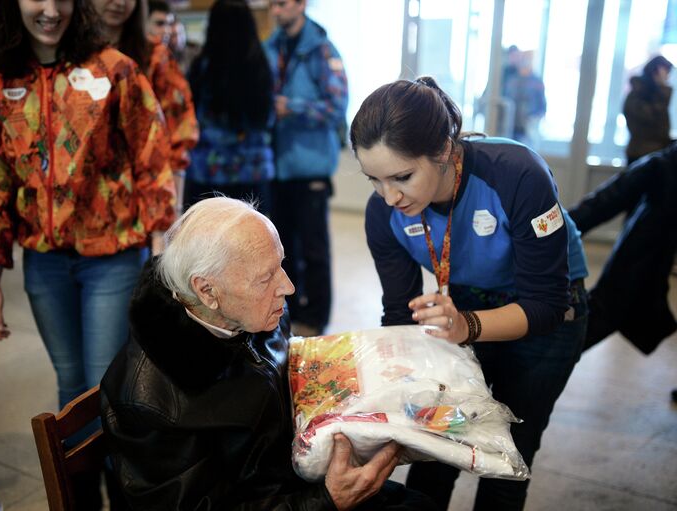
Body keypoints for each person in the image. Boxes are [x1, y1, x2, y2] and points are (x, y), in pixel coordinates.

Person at [100, 197, 437, 510]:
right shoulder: (149, 400)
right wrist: (326, 499)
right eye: (266, 278)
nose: (288, 287)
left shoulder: (250, 311)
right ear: (207, 290)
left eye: (280, 265)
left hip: (293, 473)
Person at [0, 0, 176, 507]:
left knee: (105, 383)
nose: (50, 9)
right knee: (70, 385)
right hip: (45, 264)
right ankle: (79, 496)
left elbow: (153, 158)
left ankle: (124, 491)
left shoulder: (114, 70)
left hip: (112, 256)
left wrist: (159, 251)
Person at [349, 77, 589, 511]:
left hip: (548, 307)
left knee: (507, 452)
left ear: (442, 150)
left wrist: (467, 326)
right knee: (440, 436)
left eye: (402, 176)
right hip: (466, 298)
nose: (389, 196)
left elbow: (548, 305)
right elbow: (398, 313)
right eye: (374, 180)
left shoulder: (518, 174)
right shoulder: (382, 214)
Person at [264, 0, 348, 337]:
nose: (274, 11)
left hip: (311, 167)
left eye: (281, 3)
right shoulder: (269, 48)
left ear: (300, 4)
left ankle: (315, 319)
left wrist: (292, 108)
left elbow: (337, 108)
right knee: (283, 250)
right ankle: (289, 314)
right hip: (277, 168)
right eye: (271, 4)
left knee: (314, 250)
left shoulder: (324, 50)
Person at [568, 143, 677, 356]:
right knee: (610, 309)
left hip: (647, 251)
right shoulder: (662, 164)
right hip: (648, 248)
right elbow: (608, 199)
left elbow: (607, 199)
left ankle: (545, 365)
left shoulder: (662, 163)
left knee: (607, 310)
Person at [91, 0, 198, 217]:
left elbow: (180, 134)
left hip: (140, 205)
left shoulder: (155, 54)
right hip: (81, 205)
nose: (119, 3)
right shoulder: (72, 56)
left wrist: (173, 213)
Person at [183, 0, 274, 214]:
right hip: (253, 170)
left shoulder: (202, 67)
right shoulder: (261, 65)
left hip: (208, 171)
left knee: (206, 241)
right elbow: (268, 119)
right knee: (253, 240)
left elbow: (193, 118)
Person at [623, 55, 673, 165]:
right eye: (666, 72)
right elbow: (651, 118)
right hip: (640, 153)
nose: (667, 77)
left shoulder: (656, 95)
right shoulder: (638, 93)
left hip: (656, 153)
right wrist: (664, 89)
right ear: (657, 71)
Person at [502, 49, 546, 146]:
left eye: (528, 59)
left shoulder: (537, 81)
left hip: (528, 129)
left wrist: (533, 119)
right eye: (524, 59)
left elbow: (542, 107)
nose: (525, 62)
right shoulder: (512, 80)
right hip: (510, 126)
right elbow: (505, 99)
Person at [147, 0, 186, 67]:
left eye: (169, 24)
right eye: (160, 23)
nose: (167, 31)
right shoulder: (127, 59)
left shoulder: (168, 58)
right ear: (142, 23)